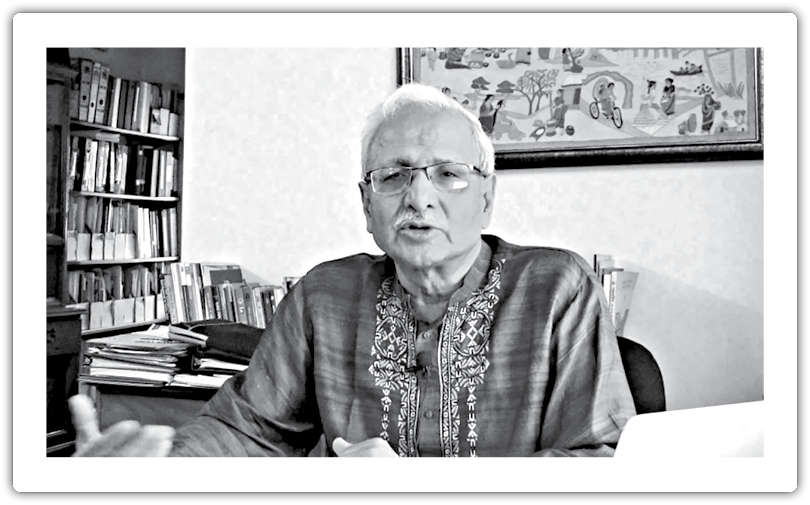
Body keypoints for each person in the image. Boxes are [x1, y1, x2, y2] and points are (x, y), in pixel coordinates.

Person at [69, 83, 636, 457]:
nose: (419, 197)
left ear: (486, 198)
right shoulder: (325, 296)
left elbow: (600, 460)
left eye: (448, 174)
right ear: (367, 206)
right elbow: (248, 429)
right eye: (393, 176)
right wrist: (161, 468)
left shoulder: (558, 289)